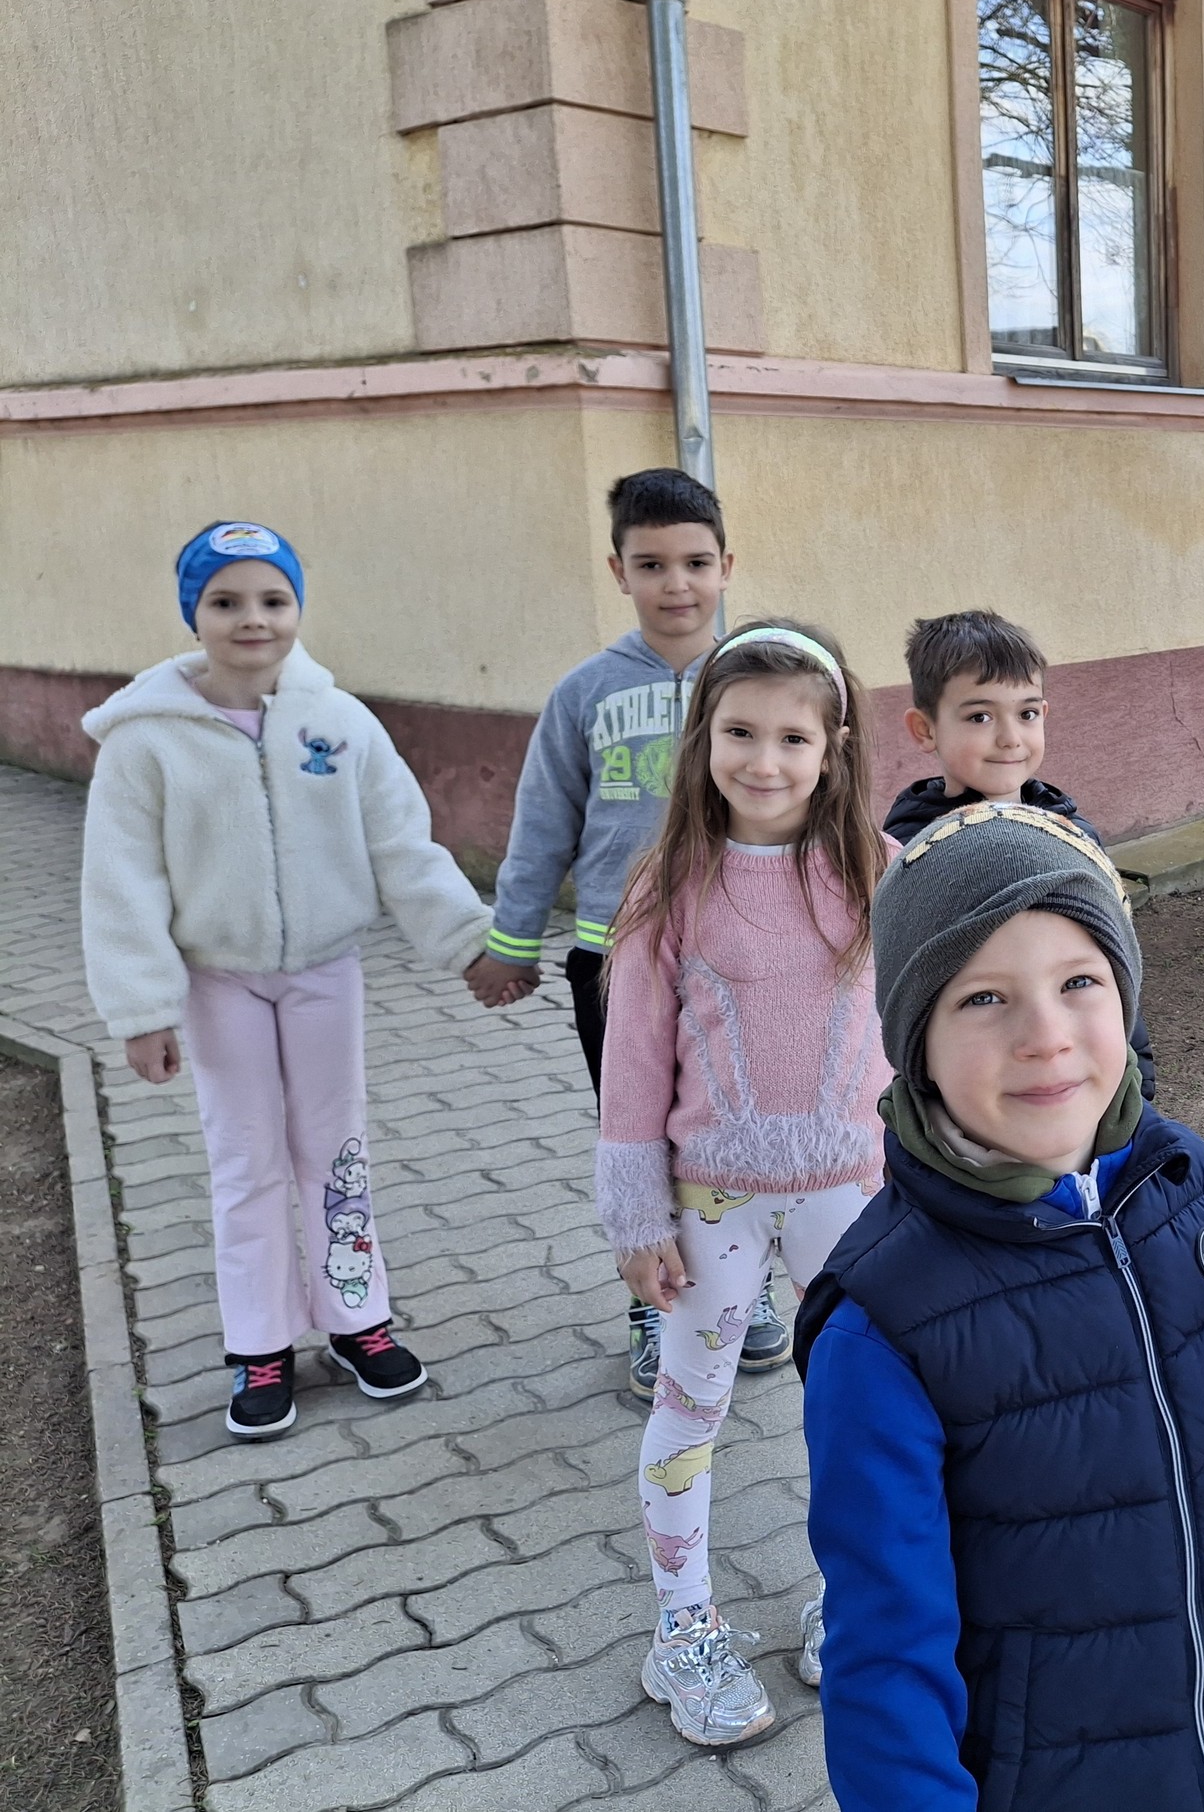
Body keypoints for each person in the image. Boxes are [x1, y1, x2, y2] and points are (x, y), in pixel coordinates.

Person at [796, 804, 1204, 1812]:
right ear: (917, 1045)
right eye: (984, 997)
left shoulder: (1188, 1189)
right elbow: (884, 1658)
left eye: (1079, 982)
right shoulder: (882, 1329)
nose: (1045, 1037)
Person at [80, 520, 496, 1440]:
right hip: (216, 981)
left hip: (323, 973)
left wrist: (470, 943)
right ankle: (260, 1343)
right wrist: (142, 1008)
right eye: (226, 601)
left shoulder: (339, 723)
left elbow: (402, 844)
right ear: (193, 613)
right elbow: (120, 879)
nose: (252, 619)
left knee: (334, 1150)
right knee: (246, 1160)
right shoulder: (145, 741)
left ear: (298, 608)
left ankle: (357, 1318)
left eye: (273, 599)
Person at [593, 618, 893, 1747]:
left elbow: (920, 1029)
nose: (764, 761)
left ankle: (848, 1601)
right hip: (708, 1201)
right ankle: (682, 1626)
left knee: (856, 1410)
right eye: (740, 733)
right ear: (703, 738)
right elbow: (631, 1064)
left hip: (852, 1200)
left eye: (793, 738)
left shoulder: (878, 871)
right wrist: (636, 1216)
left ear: (834, 746)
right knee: (690, 1405)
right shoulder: (668, 885)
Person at [469, 469, 791, 1394]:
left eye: (695, 562)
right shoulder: (585, 693)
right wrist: (511, 941)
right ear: (618, 570)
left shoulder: (759, 684)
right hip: (617, 956)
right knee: (638, 1131)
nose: (676, 584)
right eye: (651, 564)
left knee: (736, 1122)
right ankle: (653, 1301)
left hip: (739, 950)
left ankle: (743, 1289)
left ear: (727, 564)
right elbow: (542, 823)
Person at [882, 608, 1155, 1098]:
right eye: (980, 716)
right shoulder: (912, 854)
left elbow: (1113, 966)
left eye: (1026, 714)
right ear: (925, 729)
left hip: (1079, 1079)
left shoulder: (1074, 835)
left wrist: (1139, 1081)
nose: (1010, 738)